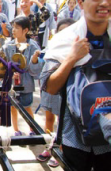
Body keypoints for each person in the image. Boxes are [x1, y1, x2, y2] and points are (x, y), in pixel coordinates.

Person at [42, 0, 111, 171]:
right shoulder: (64, 39)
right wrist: (72, 58)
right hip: (75, 136)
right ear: (80, 2)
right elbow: (50, 87)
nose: (105, 3)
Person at [36, 18, 75, 168]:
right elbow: (42, 66)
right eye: (61, 32)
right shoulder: (53, 48)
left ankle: (60, 149)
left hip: (67, 97)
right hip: (50, 93)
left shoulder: (80, 52)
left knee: (64, 122)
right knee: (49, 119)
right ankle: (48, 146)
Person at [2, 16, 42, 136]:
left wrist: (33, 61)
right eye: (13, 27)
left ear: (25, 30)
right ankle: (16, 130)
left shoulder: (33, 46)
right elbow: (4, 65)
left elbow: (37, 69)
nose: (13, 30)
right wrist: (9, 72)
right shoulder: (7, 46)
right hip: (12, 83)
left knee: (27, 106)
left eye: (17, 28)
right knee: (13, 107)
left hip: (26, 82)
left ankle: (32, 129)